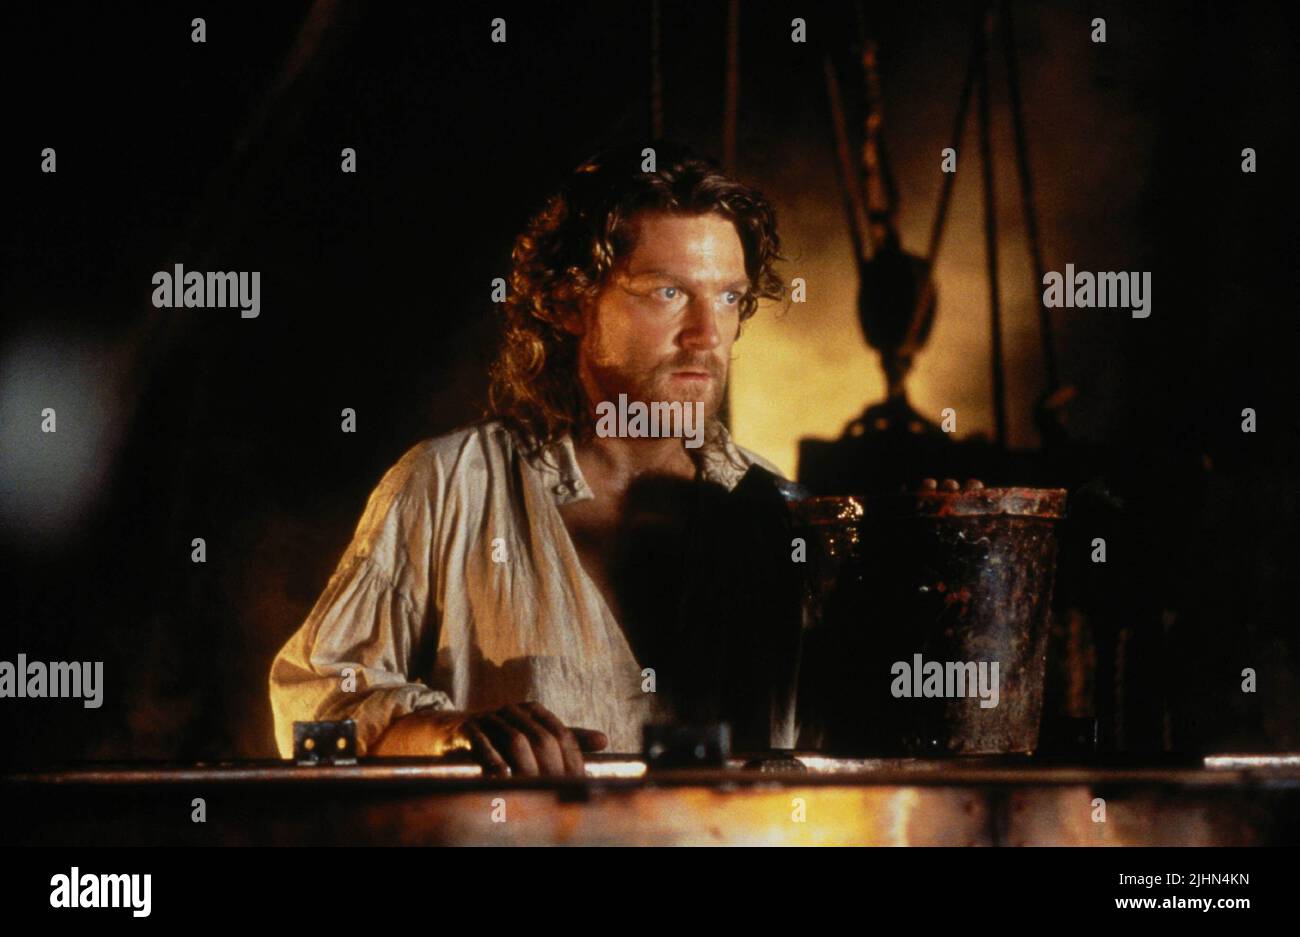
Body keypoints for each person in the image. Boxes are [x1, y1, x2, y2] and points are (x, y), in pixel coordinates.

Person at [269, 141, 791, 776]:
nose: (708, 334)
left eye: (730, 298)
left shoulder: (779, 515)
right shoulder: (450, 486)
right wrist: (449, 734)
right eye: (667, 293)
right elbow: (314, 716)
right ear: (568, 302)